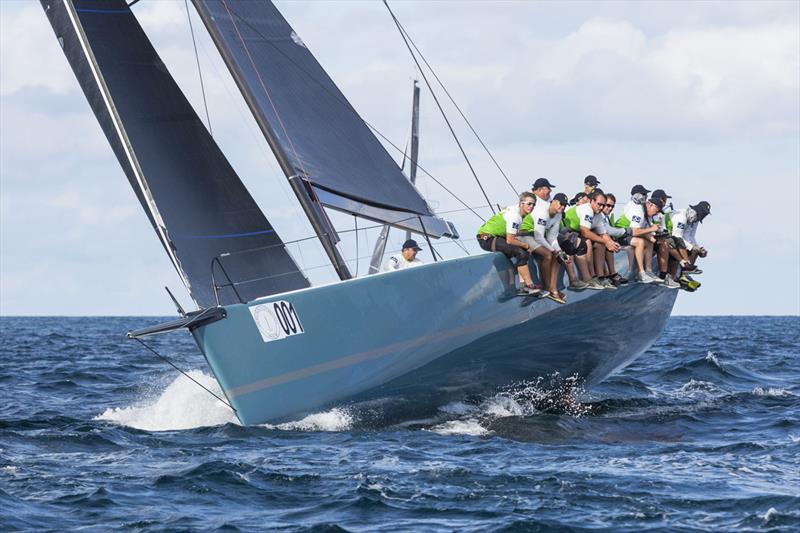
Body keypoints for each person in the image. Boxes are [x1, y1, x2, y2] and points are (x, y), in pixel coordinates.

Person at [477, 192, 539, 295]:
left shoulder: (516, 210)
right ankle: (529, 285)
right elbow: (510, 240)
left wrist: (529, 233)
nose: (531, 207)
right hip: (486, 238)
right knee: (521, 253)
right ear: (521, 203)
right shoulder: (516, 216)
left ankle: (519, 286)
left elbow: (513, 231)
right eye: (529, 204)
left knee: (521, 253)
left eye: (533, 204)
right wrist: (526, 245)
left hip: (495, 236)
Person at [518, 191, 568, 303]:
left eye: (565, 205)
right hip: (525, 234)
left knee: (558, 257)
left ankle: (553, 288)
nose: (563, 207)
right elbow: (539, 236)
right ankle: (547, 288)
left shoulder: (558, 215)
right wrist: (554, 251)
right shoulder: (542, 212)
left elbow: (552, 238)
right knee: (548, 255)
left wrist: (559, 251)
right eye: (561, 203)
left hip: (536, 236)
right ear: (553, 202)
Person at [563, 189, 618, 290]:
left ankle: (600, 277)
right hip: (564, 230)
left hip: (576, 232)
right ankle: (589, 278)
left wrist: (610, 242)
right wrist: (606, 241)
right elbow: (585, 232)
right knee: (587, 242)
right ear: (591, 201)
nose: (601, 207)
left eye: (603, 205)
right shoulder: (587, 209)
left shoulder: (598, 214)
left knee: (600, 244)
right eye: (599, 204)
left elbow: (603, 233)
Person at [613, 185, 663, 283]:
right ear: (649, 204)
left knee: (649, 243)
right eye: (656, 211)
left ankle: (648, 271)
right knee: (640, 242)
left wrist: (654, 239)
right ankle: (641, 273)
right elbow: (636, 232)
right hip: (620, 235)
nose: (656, 214)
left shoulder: (645, 212)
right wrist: (651, 229)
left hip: (629, 234)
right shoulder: (638, 210)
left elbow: (642, 231)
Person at [670, 201, 711, 290]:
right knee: (687, 247)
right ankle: (681, 272)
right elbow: (677, 237)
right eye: (700, 216)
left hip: (677, 238)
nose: (698, 219)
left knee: (695, 250)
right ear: (695, 212)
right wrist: (692, 247)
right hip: (670, 237)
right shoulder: (682, 217)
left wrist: (698, 248)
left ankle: (684, 274)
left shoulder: (695, 219)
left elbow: (691, 237)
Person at [596, 193, 629, 286]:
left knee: (608, 242)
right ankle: (604, 275)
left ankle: (611, 274)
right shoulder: (600, 215)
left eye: (612, 206)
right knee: (604, 243)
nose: (610, 208)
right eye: (608, 205)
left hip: (601, 239)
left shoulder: (605, 216)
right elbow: (607, 230)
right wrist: (625, 231)